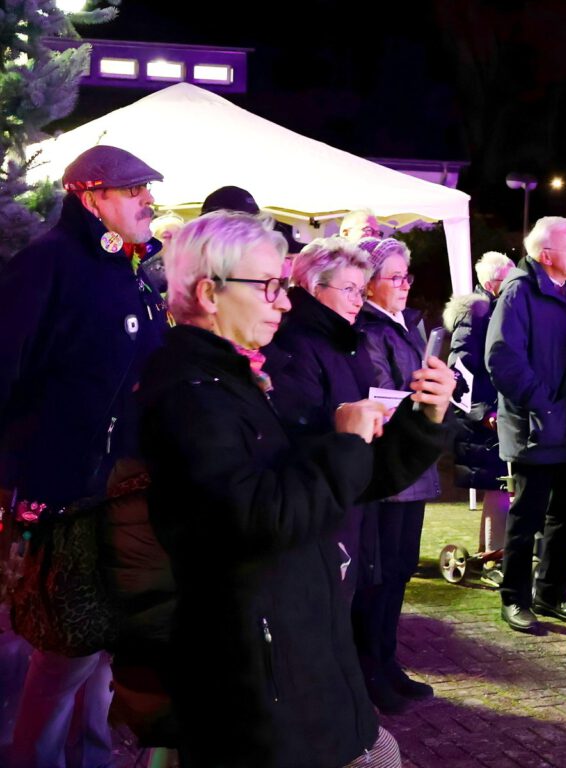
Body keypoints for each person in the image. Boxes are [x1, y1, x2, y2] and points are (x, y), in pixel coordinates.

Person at [139, 211, 453, 768]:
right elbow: (260, 515)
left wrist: (421, 423)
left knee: (376, 753)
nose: (284, 302)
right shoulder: (191, 395)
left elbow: (336, 481)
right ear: (211, 293)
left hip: (290, 645)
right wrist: (346, 444)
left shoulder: (238, 376)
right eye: (270, 287)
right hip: (257, 668)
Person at [0, 145, 168, 768]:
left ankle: (92, 757)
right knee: (63, 646)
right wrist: (18, 477)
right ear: (91, 198)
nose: (147, 200)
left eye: (146, 189)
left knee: (103, 644)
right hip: (64, 492)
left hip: (123, 490)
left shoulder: (130, 271)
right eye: (133, 191)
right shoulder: (45, 264)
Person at [485, 216, 566, 633]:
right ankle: (515, 598)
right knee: (527, 516)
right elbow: (502, 358)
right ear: (546, 255)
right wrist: (543, 406)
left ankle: (552, 592)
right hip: (537, 424)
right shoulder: (520, 293)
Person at [262, 237, 377, 603]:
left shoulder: (345, 338)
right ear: (313, 286)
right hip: (320, 497)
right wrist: (345, 429)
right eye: (349, 289)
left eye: (361, 290)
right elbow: (302, 423)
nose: (359, 300)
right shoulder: (296, 341)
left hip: (347, 485)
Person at [356, 236, 441, 713]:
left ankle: (387, 661)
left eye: (407, 276)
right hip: (388, 469)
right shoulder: (371, 330)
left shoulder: (406, 325)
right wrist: (419, 397)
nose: (405, 286)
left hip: (413, 463)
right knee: (379, 575)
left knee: (401, 571)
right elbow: (380, 390)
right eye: (395, 277)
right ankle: (370, 668)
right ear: (368, 284)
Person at [444, 251, 515, 564]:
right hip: (486, 417)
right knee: (497, 487)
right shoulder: (476, 312)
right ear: (493, 281)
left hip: (501, 412)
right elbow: (462, 366)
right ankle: (492, 555)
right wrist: (484, 412)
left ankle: (499, 552)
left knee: (502, 485)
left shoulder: (498, 308)